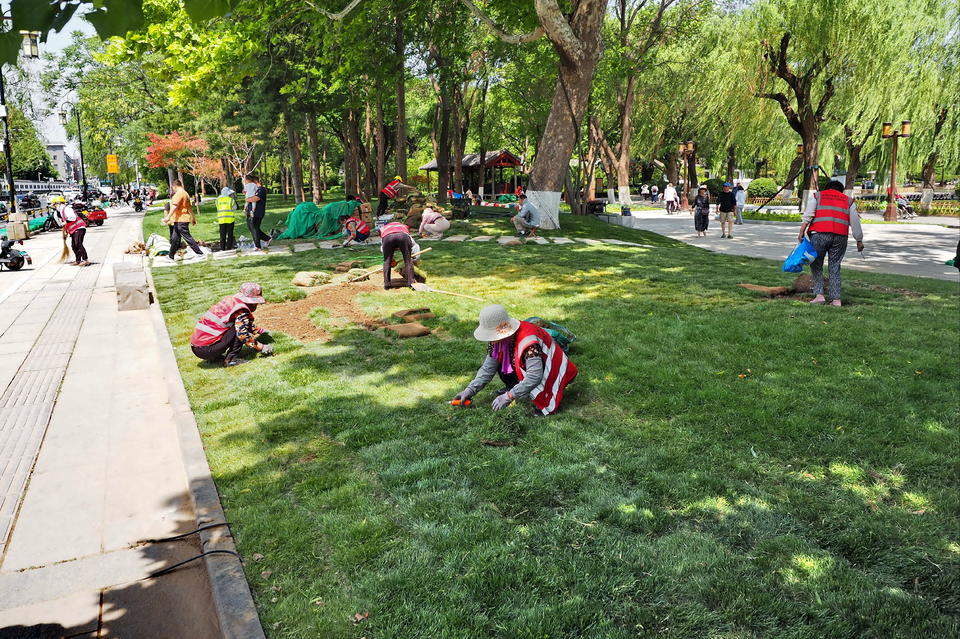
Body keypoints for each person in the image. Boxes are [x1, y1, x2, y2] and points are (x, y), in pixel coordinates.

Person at [452, 305, 578, 416]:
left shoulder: (529, 341)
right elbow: (487, 369)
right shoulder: (497, 342)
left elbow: (535, 376)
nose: (490, 339)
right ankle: (515, 387)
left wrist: (509, 396)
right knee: (503, 365)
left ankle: (533, 393)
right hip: (530, 368)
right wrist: (469, 390)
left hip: (551, 369)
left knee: (536, 389)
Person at [798, 180, 865, 307]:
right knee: (835, 266)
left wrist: (801, 231)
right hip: (840, 237)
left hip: (819, 234)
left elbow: (809, 215)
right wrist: (859, 240)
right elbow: (855, 221)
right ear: (841, 191)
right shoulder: (848, 200)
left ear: (827, 188)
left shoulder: (818, 196)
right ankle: (836, 300)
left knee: (816, 264)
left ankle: (819, 295)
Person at [190, 282, 274, 367]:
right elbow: (243, 335)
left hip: (197, 347)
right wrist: (261, 347)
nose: (257, 305)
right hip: (206, 350)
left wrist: (260, 331)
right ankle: (231, 360)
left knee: (239, 325)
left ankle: (215, 357)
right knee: (239, 329)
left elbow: (242, 323)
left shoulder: (231, 302)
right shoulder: (242, 311)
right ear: (252, 302)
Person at [169, 179, 207, 261]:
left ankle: (200, 254)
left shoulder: (179, 194)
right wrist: (193, 217)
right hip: (180, 219)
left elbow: (174, 206)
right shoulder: (185, 194)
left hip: (181, 219)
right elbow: (189, 207)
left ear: (175, 186)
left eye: (173, 188)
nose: (173, 189)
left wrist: (168, 217)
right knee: (175, 238)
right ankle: (171, 256)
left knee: (187, 237)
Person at [379, 221, 416, 289]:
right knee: (407, 260)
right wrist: (414, 256)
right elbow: (413, 244)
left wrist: (390, 259)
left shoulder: (384, 229)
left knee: (386, 261)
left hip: (387, 238)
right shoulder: (404, 227)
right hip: (403, 236)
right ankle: (411, 282)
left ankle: (387, 284)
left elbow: (382, 249)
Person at [244, 174, 271, 252]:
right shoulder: (253, 189)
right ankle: (267, 239)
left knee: (254, 227)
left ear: (255, 181)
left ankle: (257, 246)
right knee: (251, 227)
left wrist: (247, 199)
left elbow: (256, 198)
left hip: (258, 212)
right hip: (251, 212)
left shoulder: (261, 189)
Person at [57, 199, 89, 266]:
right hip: (73, 230)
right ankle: (78, 260)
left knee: (78, 243)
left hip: (79, 227)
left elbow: (72, 218)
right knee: (74, 246)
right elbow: (66, 223)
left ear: (59, 203)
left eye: (55, 204)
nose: (55, 206)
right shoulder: (61, 211)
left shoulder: (67, 209)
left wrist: (64, 223)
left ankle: (85, 260)